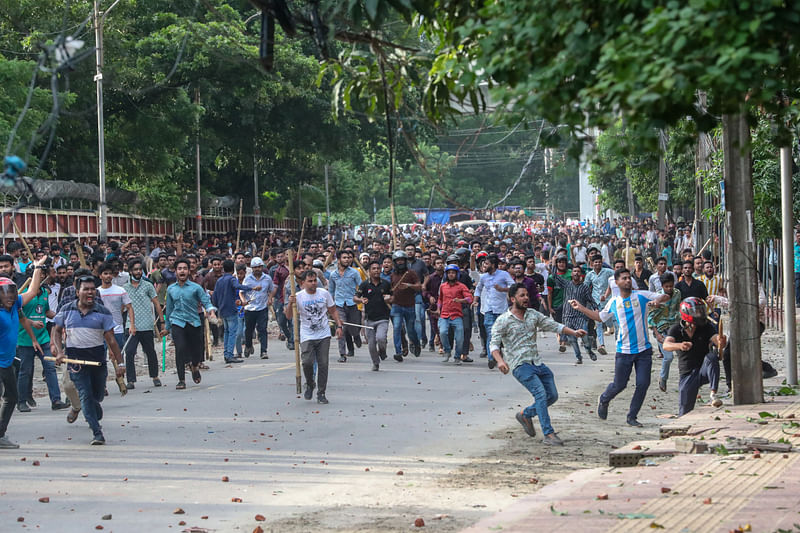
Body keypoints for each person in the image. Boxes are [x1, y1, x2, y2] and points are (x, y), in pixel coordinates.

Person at [490, 283, 587, 446]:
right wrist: (500, 361)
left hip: (537, 362)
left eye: (527, 295)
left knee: (552, 396)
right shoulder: (503, 321)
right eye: (522, 295)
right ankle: (548, 434)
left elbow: (554, 325)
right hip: (520, 365)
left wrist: (574, 332)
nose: (526, 298)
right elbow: (494, 344)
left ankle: (526, 414)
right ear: (513, 299)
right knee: (540, 394)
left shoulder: (533, 315)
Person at [570, 268, 669, 427]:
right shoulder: (614, 302)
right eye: (624, 278)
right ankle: (604, 399)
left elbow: (665, 296)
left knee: (643, 384)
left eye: (629, 278)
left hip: (643, 350)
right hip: (624, 351)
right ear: (616, 282)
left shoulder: (642, 295)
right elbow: (600, 317)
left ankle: (632, 416)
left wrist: (658, 301)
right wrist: (580, 307)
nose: (628, 280)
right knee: (620, 384)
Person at [52, 273, 126, 445]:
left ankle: (94, 406)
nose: (90, 292)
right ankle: (97, 432)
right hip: (76, 362)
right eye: (86, 289)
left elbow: (111, 340)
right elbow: (56, 330)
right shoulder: (66, 310)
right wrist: (60, 352)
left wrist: (120, 363)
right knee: (85, 395)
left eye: (93, 289)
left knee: (97, 395)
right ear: (78, 292)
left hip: (98, 361)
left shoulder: (103, 312)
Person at [0, 257, 47, 449]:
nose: (10, 295)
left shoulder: (15, 306)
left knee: (11, 397)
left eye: (11, 292)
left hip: (7, 363)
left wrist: (37, 267)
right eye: (4, 293)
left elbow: (32, 291)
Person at [285, 270, 343, 404]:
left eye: (315, 280)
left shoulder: (324, 294)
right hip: (307, 334)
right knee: (307, 362)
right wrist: (290, 303)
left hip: (323, 334)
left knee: (323, 364)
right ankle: (310, 383)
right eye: (310, 281)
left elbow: (333, 310)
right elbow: (288, 316)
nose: (313, 283)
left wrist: (339, 326)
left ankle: (321, 392)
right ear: (302, 283)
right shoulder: (298, 296)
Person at [662, 297, 726, 415]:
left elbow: (716, 339)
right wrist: (680, 345)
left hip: (703, 370)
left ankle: (713, 393)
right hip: (687, 373)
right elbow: (666, 345)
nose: (700, 314)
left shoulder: (706, 327)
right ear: (686, 312)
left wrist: (721, 341)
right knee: (684, 411)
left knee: (712, 357)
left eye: (701, 310)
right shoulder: (676, 328)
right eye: (696, 311)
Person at [162, 258, 218, 389]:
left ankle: (194, 366)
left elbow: (206, 301)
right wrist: (167, 327)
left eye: (184, 269)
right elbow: (169, 309)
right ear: (175, 271)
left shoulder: (196, 288)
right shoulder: (171, 289)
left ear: (189, 271)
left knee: (196, 350)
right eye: (179, 269)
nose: (182, 271)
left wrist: (211, 311)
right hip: (177, 322)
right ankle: (181, 379)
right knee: (180, 349)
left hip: (193, 321)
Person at [16, 278, 70, 412]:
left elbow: (46, 312)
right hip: (25, 339)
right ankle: (21, 401)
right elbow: (16, 315)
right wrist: (32, 323)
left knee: (50, 368)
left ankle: (56, 400)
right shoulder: (21, 294)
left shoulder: (45, 293)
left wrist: (60, 318)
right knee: (25, 371)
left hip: (43, 338)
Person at [123, 259, 164, 388]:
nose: (138, 272)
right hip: (131, 325)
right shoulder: (125, 288)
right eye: (135, 269)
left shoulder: (148, 285)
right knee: (129, 352)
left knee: (150, 351)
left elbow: (157, 303)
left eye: (140, 269)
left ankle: (155, 376)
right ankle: (130, 380)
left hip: (147, 324)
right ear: (130, 271)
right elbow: (121, 307)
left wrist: (162, 322)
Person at [212, 259, 260, 364]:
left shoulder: (219, 280)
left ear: (223, 268)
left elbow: (215, 296)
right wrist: (252, 288)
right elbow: (238, 286)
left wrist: (216, 307)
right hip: (231, 309)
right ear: (233, 268)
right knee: (232, 332)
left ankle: (226, 353)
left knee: (227, 332)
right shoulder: (232, 279)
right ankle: (229, 355)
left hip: (222, 310)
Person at [475, 254, 514, 370]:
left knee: (502, 334)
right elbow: (478, 288)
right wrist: (475, 300)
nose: (484, 266)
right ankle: (491, 357)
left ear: (492, 265)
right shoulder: (483, 277)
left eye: (486, 264)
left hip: (501, 309)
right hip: (488, 309)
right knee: (490, 334)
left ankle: (500, 352)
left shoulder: (504, 275)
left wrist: (502, 289)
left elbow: (514, 286)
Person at [551, 266, 596, 363]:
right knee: (572, 339)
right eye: (574, 271)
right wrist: (554, 264)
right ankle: (578, 357)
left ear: (581, 274)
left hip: (580, 316)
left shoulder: (584, 288)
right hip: (568, 316)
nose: (576, 273)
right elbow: (555, 276)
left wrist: (596, 309)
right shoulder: (567, 284)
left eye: (578, 271)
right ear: (572, 274)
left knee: (585, 338)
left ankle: (589, 351)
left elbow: (591, 300)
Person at [647, 273, 682, 392]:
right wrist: (657, 334)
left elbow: (678, 308)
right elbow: (651, 319)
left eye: (671, 286)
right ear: (662, 286)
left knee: (683, 354)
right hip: (662, 329)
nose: (669, 289)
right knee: (668, 357)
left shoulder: (677, 293)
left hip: (676, 327)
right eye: (666, 286)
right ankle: (663, 378)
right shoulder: (657, 298)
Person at [355, 261, 392, 371]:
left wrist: (389, 298)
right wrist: (361, 300)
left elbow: (393, 297)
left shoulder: (386, 284)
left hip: (383, 318)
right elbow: (355, 298)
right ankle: (376, 363)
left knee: (381, 338)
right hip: (369, 319)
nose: (376, 270)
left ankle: (382, 351)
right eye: (373, 268)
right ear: (369, 271)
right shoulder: (365, 284)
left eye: (378, 268)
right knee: (371, 345)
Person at [328, 250, 363, 362]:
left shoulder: (354, 272)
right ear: (339, 260)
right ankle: (342, 354)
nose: (347, 259)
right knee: (341, 328)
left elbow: (361, 286)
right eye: (344, 257)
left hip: (352, 303)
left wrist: (359, 297)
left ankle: (356, 336)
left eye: (348, 257)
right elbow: (331, 291)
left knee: (354, 328)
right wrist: (330, 306)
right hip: (339, 305)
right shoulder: (333, 275)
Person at [389, 251, 422, 362]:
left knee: (410, 330)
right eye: (398, 260)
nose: (400, 262)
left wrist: (409, 286)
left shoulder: (411, 273)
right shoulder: (392, 275)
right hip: (396, 306)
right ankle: (398, 352)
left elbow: (419, 286)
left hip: (410, 306)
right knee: (397, 328)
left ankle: (416, 343)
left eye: (402, 260)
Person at [437, 264, 473, 364]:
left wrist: (461, 300)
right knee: (443, 332)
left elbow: (470, 298)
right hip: (444, 315)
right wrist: (438, 308)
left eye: (453, 273)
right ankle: (447, 351)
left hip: (457, 316)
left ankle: (457, 356)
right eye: (449, 273)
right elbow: (440, 299)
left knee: (460, 338)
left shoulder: (461, 286)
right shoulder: (443, 286)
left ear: (456, 274)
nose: (451, 275)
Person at [241, 257, 275, 359]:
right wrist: (243, 301)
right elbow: (241, 292)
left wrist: (270, 298)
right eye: (255, 267)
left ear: (262, 267)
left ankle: (263, 351)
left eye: (259, 267)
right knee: (248, 330)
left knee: (262, 329)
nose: (257, 269)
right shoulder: (247, 279)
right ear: (252, 268)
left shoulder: (267, 278)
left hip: (262, 307)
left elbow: (272, 290)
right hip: (250, 308)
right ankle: (248, 345)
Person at [97, 262, 135, 353]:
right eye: (105, 273)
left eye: (110, 273)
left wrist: (132, 325)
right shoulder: (96, 292)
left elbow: (129, 307)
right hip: (100, 330)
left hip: (117, 328)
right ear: (100, 276)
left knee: (118, 355)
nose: (108, 276)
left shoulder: (120, 290)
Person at [584, 255, 614, 355]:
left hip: (608, 302)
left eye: (599, 262)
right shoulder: (590, 275)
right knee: (599, 324)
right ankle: (601, 345)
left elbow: (617, 277)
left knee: (609, 322)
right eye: (595, 262)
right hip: (595, 302)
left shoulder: (608, 272)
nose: (598, 264)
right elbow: (585, 287)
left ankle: (611, 327)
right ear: (592, 263)